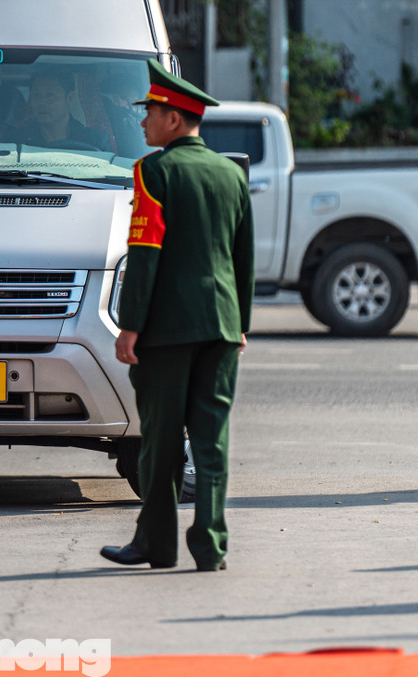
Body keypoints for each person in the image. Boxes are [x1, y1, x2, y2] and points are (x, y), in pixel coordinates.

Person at [100, 59, 253, 572]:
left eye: (150, 112)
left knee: (161, 443)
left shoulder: (154, 172)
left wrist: (129, 326)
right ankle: (210, 546)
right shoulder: (231, 173)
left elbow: (144, 255)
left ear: (173, 119)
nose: (143, 122)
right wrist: (241, 324)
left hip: (166, 332)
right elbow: (243, 257)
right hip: (222, 327)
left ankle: (157, 544)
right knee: (211, 441)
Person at [18, 72, 112, 151]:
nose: (41, 102)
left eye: (50, 95)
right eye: (36, 95)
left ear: (69, 98)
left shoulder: (97, 142)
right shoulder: (17, 141)